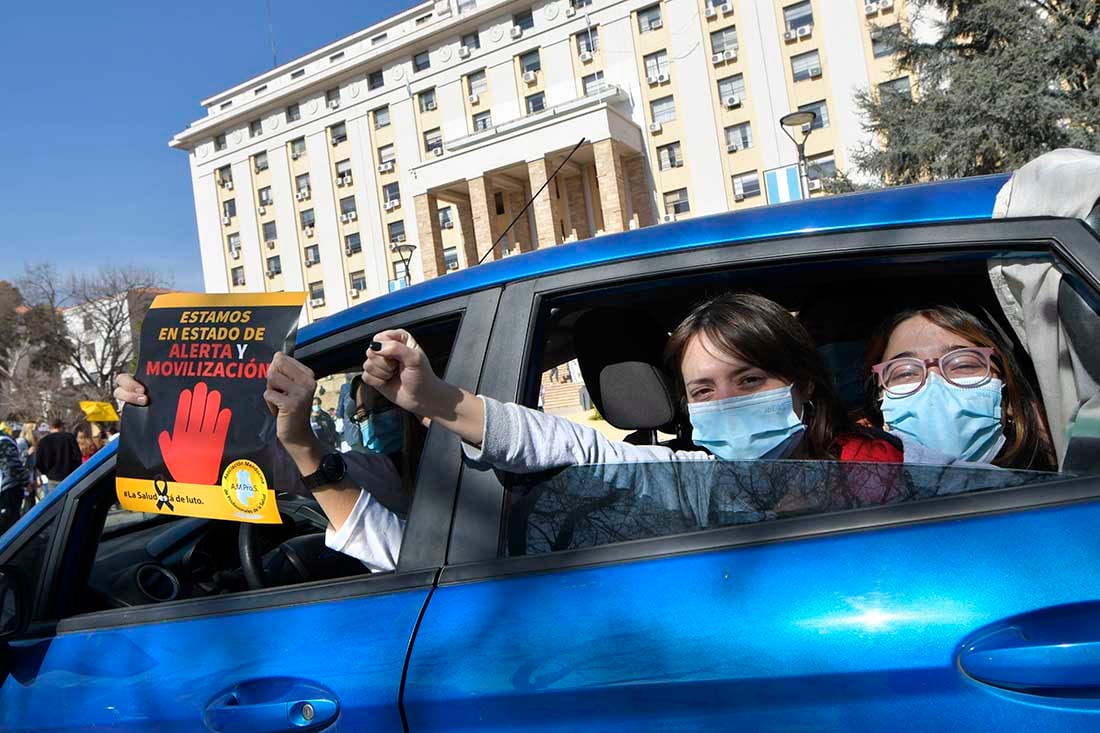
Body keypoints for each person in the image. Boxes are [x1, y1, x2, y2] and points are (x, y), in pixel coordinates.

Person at [359, 293, 906, 528]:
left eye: (751, 379)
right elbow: (575, 446)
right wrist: (435, 400)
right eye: (704, 392)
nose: (730, 402)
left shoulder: (895, 467)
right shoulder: (694, 480)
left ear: (803, 385)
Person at [114, 351, 416, 572]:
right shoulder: (394, 469)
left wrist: (298, 440)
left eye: (383, 408)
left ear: (411, 408)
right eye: (361, 416)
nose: (371, 423)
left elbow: (291, 465)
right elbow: (282, 465)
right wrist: (149, 414)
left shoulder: (405, 473)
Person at [864, 305, 1057, 470]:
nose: (935, 384)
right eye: (905, 372)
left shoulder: (1065, 490)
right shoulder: (859, 499)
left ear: (1008, 400)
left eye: (964, 364)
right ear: (881, 401)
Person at [35, 418, 82, 495]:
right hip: (70, 476)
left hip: (52, 478)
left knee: (54, 504)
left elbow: (39, 461)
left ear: (50, 427)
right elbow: (78, 456)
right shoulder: (69, 437)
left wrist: (46, 473)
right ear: (61, 426)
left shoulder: (43, 441)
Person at [0, 423, 30, 536]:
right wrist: (26, 481)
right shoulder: (4, 441)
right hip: (7, 492)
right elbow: (13, 467)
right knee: (9, 530)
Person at [16, 424, 38, 515]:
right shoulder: (21, 442)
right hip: (23, 479)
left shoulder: (31, 443)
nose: (37, 432)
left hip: (30, 477)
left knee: (31, 503)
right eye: (35, 430)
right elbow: (16, 461)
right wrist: (26, 453)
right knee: (26, 505)